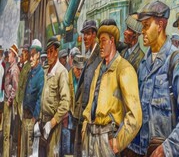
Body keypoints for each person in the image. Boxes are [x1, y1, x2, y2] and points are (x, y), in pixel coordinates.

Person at [128, 1, 179, 156]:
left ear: (160, 25)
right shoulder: (143, 66)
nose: (142, 31)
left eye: (146, 25)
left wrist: (166, 149)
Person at [82, 19, 142, 156]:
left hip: (107, 138)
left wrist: (118, 142)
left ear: (112, 41)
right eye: (99, 41)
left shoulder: (125, 69)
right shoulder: (98, 69)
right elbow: (91, 102)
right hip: (91, 137)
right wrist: (85, 128)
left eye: (103, 41)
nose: (100, 46)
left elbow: (135, 116)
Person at [38, 37, 71, 156]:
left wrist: (52, 123)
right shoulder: (46, 71)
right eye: (47, 52)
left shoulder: (61, 72)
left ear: (56, 52)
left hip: (53, 125)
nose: (49, 55)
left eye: (51, 51)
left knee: (52, 154)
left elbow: (65, 102)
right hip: (42, 122)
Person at [74, 19, 102, 155]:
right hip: (82, 115)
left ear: (95, 35)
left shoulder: (99, 56)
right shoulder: (89, 54)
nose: (85, 37)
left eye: (88, 34)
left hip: (90, 117)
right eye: (84, 34)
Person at [21, 39, 44, 156]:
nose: (30, 58)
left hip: (32, 119)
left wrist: (35, 117)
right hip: (25, 117)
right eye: (30, 55)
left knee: (31, 151)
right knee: (24, 150)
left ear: (38, 55)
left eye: (33, 55)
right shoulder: (31, 72)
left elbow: (40, 97)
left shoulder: (41, 74)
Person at [2, 44, 20, 157]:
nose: (8, 55)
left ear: (13, 55)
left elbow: (15, 88)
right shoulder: (10, 67)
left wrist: (9, 101)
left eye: (9, 53)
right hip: (6, 102)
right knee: (5, 132)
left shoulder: (14, 70)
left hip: (9, 104)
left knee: (7, 133)